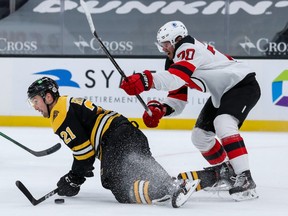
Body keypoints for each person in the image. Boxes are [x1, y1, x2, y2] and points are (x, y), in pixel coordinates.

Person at [120, 21, 261, 201]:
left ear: (177, 39)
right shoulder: (175, 58)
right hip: (223, 92)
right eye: (161, 44)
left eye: (166, 43)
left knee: (223, 122)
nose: (163, 48)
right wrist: (161, 109)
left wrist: (145, 80)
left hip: (242, 84)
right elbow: (178, 98)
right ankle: (227, 173)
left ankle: (246, 178)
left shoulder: (188, 47)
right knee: (200, 136)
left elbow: (176, 79)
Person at [26, 76, 201, 208]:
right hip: (129, 132)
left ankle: (165, 188)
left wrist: (73, 179)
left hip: (114, 139)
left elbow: (84, 154)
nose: (35, 106)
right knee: (143, 169)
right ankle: (176, 185)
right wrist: (76, 176)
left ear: (48, 97)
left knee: (114, 182)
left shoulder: (59, 114)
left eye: (36, 101)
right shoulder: (67, 102)